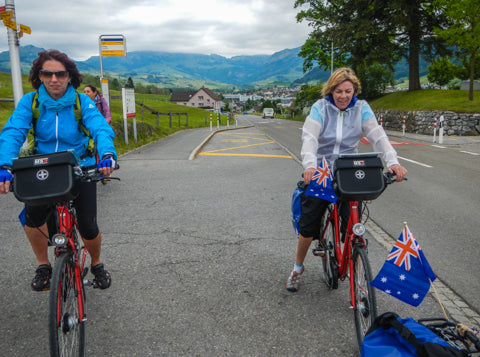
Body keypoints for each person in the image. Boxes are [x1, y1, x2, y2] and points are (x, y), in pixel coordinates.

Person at [0, 50, 117, 291]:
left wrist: (107, 154)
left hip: (79, 167)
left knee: (88, 225)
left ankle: (96, 263)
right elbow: (13, 132)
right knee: (32, 218)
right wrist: (4, 164)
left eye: (60, 74)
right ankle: (43, 265)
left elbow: (99, 128)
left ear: (69, 77)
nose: (54, 79)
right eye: (47, 73)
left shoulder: (80, 102)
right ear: (39, 76)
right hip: (42, 168)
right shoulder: (30, 102)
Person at [286, 67, 407, 292]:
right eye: (338, 91)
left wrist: (393, 162)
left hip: (348, 171)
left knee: (353, 226)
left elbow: (378, 137)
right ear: (331, 90)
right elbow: (310, 138)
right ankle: (297, 268)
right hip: (321, 170)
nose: (343, 96)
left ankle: (359, 278)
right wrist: (310, 166)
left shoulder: (362, 108)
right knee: (308, 226)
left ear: (355, 90)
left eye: (348, 91)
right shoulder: (320, 108)